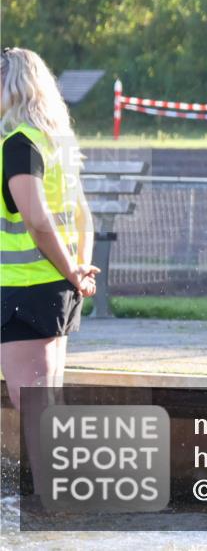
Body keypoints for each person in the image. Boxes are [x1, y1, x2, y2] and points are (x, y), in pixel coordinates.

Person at [1, 47, 99, 493]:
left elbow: (38, 221)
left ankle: (52, 501)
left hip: (25, 287)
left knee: (33, 403)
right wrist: (79, 270)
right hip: (55, 285)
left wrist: (71, 272)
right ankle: (58, 495)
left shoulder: (18, 145)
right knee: (48, 399)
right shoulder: (54, 140)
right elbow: (83, 214)